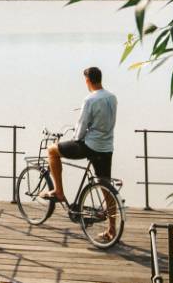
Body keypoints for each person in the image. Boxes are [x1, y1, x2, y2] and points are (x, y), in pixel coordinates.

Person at [40, 66, 118, 241]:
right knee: (106, 186)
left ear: (88, 80)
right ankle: (112, 230)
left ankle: (58, 192)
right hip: (107, 147)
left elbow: (82, 126)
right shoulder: (112, 97)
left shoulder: (90, 99)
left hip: (90, 145)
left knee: (52, 150)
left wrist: (76, 136)